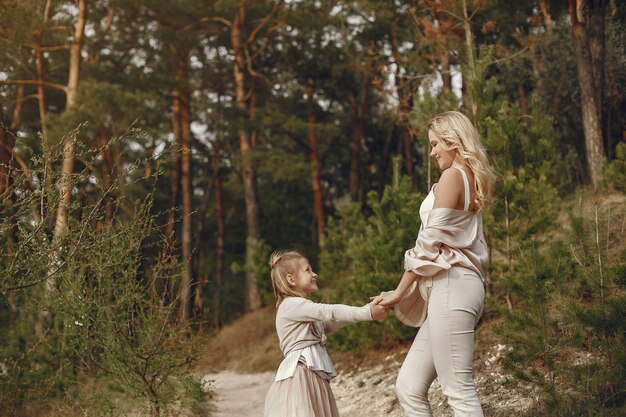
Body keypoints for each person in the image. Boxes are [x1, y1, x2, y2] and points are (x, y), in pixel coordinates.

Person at [373, 111, 495, 417]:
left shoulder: (453, 176)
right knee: (409, 387)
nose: (432, 152)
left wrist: (399, 292)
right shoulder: (466, 177)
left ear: (453, 141)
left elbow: (429, 243)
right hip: (455, 289)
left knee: (458, 391)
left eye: (435, 143)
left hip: (453, 286)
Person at [264, 250, 387, 417]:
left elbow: (329, 323)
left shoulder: (300, 308)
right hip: (301, 376)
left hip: (311, 374)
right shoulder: (290, 305)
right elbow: (330, 311)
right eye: (308, 270)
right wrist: (367, 312)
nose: (314, 274)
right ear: (291, 279)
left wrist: (368, 310)